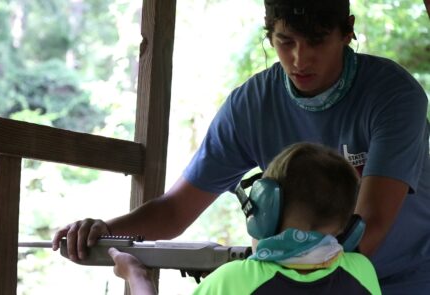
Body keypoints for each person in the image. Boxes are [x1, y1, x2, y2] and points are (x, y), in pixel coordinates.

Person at [52, 0, 430, 293]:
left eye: (316, 41)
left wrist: (259, 272)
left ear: (347, 32)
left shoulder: (393, 95)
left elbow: (369, 228)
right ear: (269, 37)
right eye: (286, 42)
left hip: (410, 277)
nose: (300, 59)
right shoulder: (250, 106)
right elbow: (174, 212)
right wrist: (104, 231)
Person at [108, 143, 381, 295]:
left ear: (265, 210)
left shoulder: (232, 280)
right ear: (348, 225)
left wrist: (137, 276)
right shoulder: (362, 272)